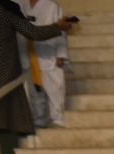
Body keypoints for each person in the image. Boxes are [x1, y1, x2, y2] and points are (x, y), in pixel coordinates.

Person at [0, 1, 73, 154]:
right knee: (7, 120)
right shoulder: (5, 8)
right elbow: (32, 32)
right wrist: (58, 26)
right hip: (4, 75)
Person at [23, 0, 69, 128]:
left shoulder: (52, 6)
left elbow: (61, 31)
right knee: (35, 91)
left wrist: (60, 54)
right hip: (29, 56)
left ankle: (57, 119)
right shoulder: (20, 4)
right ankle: (38, 120)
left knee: (54, 89)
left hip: (50, 55)